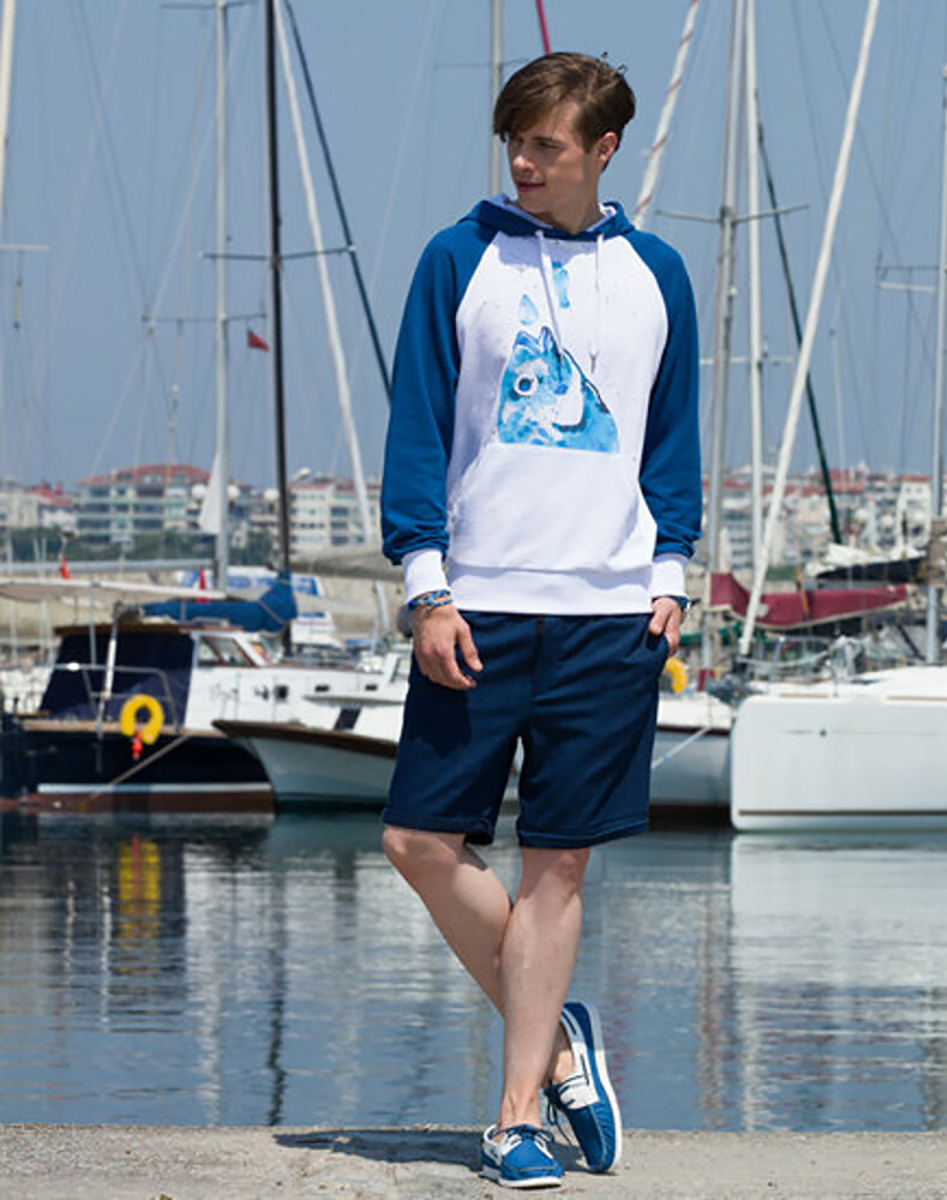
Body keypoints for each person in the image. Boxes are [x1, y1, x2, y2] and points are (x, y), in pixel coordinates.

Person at [379, 51, 701, 1189]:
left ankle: (516, 1117)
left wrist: (671, 573)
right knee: (419, 842)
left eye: (547, 144)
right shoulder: (457, 258)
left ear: (602, 150)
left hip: (612, 613)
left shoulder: (657, 274)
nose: (523, 160)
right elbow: (418, 426)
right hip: (476, 603)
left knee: (557, 867)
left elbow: (673, 434)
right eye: (515, 141)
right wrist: (425, 584)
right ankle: (563, 1043)